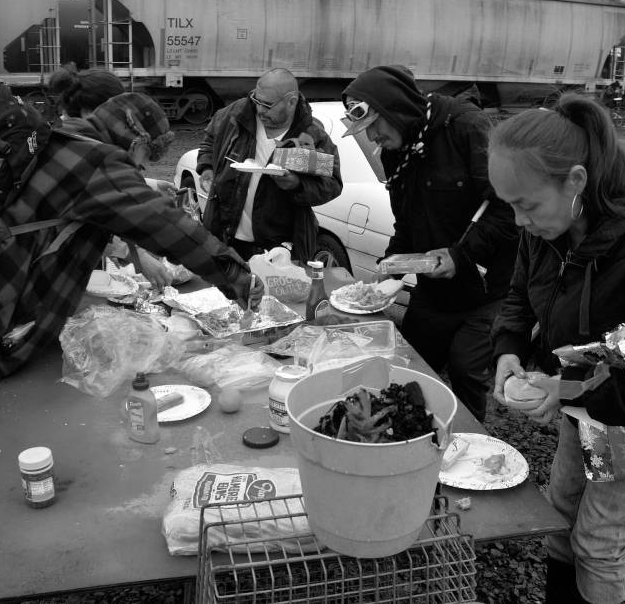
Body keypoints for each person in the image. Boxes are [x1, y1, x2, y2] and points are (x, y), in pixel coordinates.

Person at [0, 85, 264, 481]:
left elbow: (81, 204)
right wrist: (238, 276)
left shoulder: (65, 137)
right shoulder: (96, 161)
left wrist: (136, 200)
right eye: (149, 156)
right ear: (139, 139)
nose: (143, 167)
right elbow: (168, 228)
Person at [487, 93, 625, 603]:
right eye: (509, 206)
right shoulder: (547, 230)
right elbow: (519, 296)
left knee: (599, 540)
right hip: (584, 400)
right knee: (560, 518)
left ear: (575, 182)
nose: (518, 221)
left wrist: (569, 391)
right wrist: (507, 348)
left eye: (525, 204)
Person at [341, 65, 520, 423]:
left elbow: (508, 208)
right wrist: (391, 267)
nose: (373, 137)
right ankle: (411, 435)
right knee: (412, 365)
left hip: (484, 290)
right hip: (431, 290)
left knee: (467, 369)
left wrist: (462, 254)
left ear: (396, 110)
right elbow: (406, 219)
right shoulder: (397, 148)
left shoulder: (468, 128)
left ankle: (469, 445)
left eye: (375, 125)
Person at [196, 68, 343, 262]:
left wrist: (297, 185)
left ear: (291, 102)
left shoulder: (311, 136)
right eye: (256, 101)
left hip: (278, 250)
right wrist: (207, 168)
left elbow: (332, 184)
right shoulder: (237, 114)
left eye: (267, 105)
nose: (259, 110)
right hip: (223, 239)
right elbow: (210, 139)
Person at [48, 65, 175, 289]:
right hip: (57, 266)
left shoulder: (73, 136)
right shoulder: (78, 145)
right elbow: (98, 211)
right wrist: (137, 256)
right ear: (95, 109)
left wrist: (150, 184)